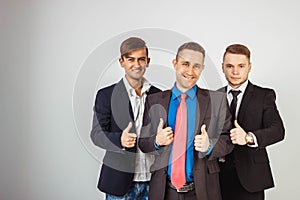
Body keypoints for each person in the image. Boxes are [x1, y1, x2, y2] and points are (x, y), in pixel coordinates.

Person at [139, 42, 234, 200]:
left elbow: (228, 140)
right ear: (175, 64)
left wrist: (210, 145)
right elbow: (143, 142)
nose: (190, 71)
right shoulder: (154, 100)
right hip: (164, 191)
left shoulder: (217, 100)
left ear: (202, 68)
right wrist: (156, 141)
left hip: (203, 191)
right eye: (185, 64)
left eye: (196, 66)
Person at [90, 37, 161, 200]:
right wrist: (119, 140)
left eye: (141, 59)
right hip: (119, 182)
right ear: (121, 62)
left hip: (153, 182)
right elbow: (97, 134)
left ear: (148, 61)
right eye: (131, 59)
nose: (137, 65)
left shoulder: (160, 95)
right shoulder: (106, 95)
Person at [218, 44, 285, 200]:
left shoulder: (264, 95)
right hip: (218, 178)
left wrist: (248, 137)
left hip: (251, 179)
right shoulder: (214, 97)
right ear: (222, 68)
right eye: (230, 66)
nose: (235, 72)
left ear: (249, 67)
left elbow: (277, 130)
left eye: (241, 66)